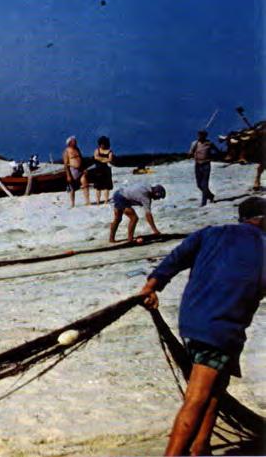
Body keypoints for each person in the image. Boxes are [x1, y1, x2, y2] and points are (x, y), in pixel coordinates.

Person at [139, 196, 265, 456]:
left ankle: (202, 446)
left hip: (192, 320)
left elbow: (176, 258)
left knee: (217, 386)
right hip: (221, 327)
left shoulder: (211, 233)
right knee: (198, 396)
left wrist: (151, 287)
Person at [189, 130, 220, 207]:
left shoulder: (209, 143)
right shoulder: (195, 143)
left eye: (202, 135)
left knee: (204, 184)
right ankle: (210, 196)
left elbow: (217, 151)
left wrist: (212, 156)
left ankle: (204, 202)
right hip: (198, 165)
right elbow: (190, 153)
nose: (200, 136)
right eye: (199, 134)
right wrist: (192, 153)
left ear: (205, 135)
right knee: (199, 184)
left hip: (206, 164)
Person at [62, 136, 90, 207]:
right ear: (70, 143)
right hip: (72, 170)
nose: (75, 142)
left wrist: (84, 168)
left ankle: (87, 201)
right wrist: (68, 175)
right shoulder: (66, 151)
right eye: (74, 141)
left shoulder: (77, 149)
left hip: (80, 169)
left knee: (85, 184)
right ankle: (72, 203)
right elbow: (65, 164)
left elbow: (81, 159)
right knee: (72, 188)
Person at [91, 136, 114, 205]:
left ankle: (106, 201)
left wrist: (101, 159)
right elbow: (96, 157)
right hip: (98, 169)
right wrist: (104, 159)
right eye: (101, 144)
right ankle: (98, 201)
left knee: (107, 186)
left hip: (106, 170)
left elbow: (110, 159)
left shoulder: (109, 151)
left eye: (103, 144)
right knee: (98, 187)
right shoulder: (97, 150)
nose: (102, 145)